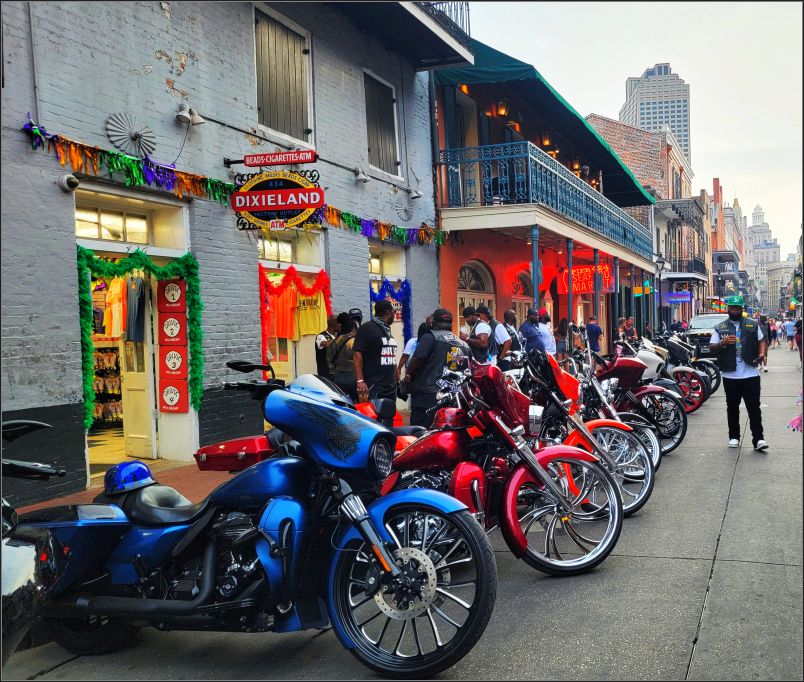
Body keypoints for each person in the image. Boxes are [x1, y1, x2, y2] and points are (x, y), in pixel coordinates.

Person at [709, 295, 767, 451]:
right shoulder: (720, 327)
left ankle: (759, 439)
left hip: (751, 373)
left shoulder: (752, 324)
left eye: (738, 308)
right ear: (728, 309)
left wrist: (762, 354)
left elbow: (762, 340)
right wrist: (723, 342)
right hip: (730, 375)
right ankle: (734, 437)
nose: (735, 310)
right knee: (732, 407)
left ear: (742, 309)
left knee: (754, 407)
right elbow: (711, 347)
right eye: (732, 308)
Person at [404, 308, 467, 428]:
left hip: (428, 396)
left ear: (434, 323)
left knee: (421, 432)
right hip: (452, 396)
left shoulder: (430, 337)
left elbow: (419, 358)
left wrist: (408, 374)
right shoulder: (462, 343)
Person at [353, 299, 398, 405]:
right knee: (374, 419)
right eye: (394, 312)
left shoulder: (386, 330)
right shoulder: (368, 328)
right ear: (388, 313)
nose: (394, 315)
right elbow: (357, 353)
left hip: (390, 387)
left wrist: (397, 380)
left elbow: (391, 356)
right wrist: (360, 381)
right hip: (375, 386)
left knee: (388, 418)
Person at [327, 312, 358, 401]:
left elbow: (329, 361)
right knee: (356, 405)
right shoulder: (355, 341)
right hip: (353, 378)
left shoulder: (334, 342)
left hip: (338, 378)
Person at [397, 317, 433, 383]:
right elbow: (405, 356)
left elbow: (405, 356)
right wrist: (399, 369)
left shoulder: (431, 342)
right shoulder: (413, 342)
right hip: (412, 372)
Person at [315, 314, 339, 379]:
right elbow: (326, 344)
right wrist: (340, 337)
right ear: (335, 324)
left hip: (336, 372)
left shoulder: (337, 336)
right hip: (326, 373)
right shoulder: (321, 336)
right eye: (339, 324)